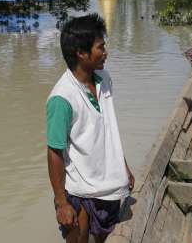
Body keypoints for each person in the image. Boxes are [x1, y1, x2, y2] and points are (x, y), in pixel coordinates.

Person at [46, 14, 135, 243]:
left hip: (110, 185)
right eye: (100, 47)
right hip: (78, 191)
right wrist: (62, 202)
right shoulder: (62, 98)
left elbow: (108, 130)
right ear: (81, 53)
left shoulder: (104, 79)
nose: (105, 52)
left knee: (103, 238)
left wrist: (123, 166)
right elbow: (54, 151)